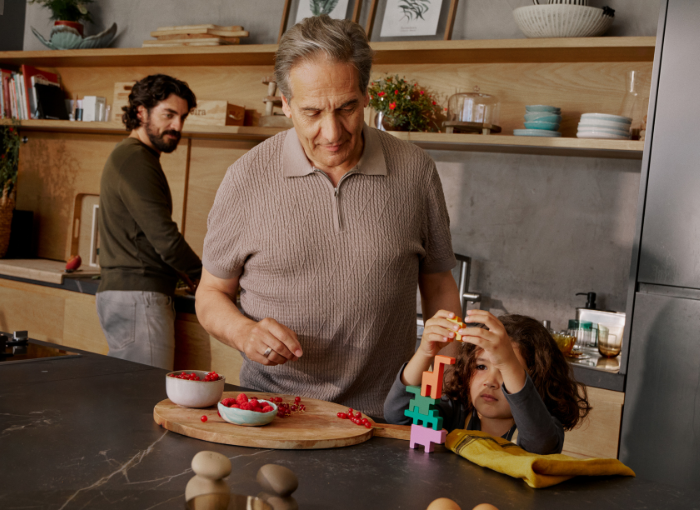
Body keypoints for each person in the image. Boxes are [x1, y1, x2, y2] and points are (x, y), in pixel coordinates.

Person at [195, 15, 462, 417]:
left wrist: (440, 390)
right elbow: (210, 294)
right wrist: (243, 332)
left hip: (386, 415)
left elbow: (440, 287)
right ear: (284, 104)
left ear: (366, 94)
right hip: (274, 412)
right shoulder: (246, 177)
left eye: (347, 108)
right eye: (312, 112)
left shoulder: (415, 171)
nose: (333, 132)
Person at [96, 74, 202, 370]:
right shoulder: (136, 160)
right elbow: (166, 240)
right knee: (143, 400)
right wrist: (208, 278)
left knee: (129, 397)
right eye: (168, 115)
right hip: (138, 297)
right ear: (141, 112)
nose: (177, 126)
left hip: (130, 294)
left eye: (182, 117)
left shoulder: (133, 157)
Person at [384, 310, 591, 454]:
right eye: (481, 367)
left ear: (537, 382)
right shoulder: (454, 412)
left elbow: (541, 445)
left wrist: (509, 362)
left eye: (505, 371)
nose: (490, 382)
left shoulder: (541, 427)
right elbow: (397, 415)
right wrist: (424, 352)